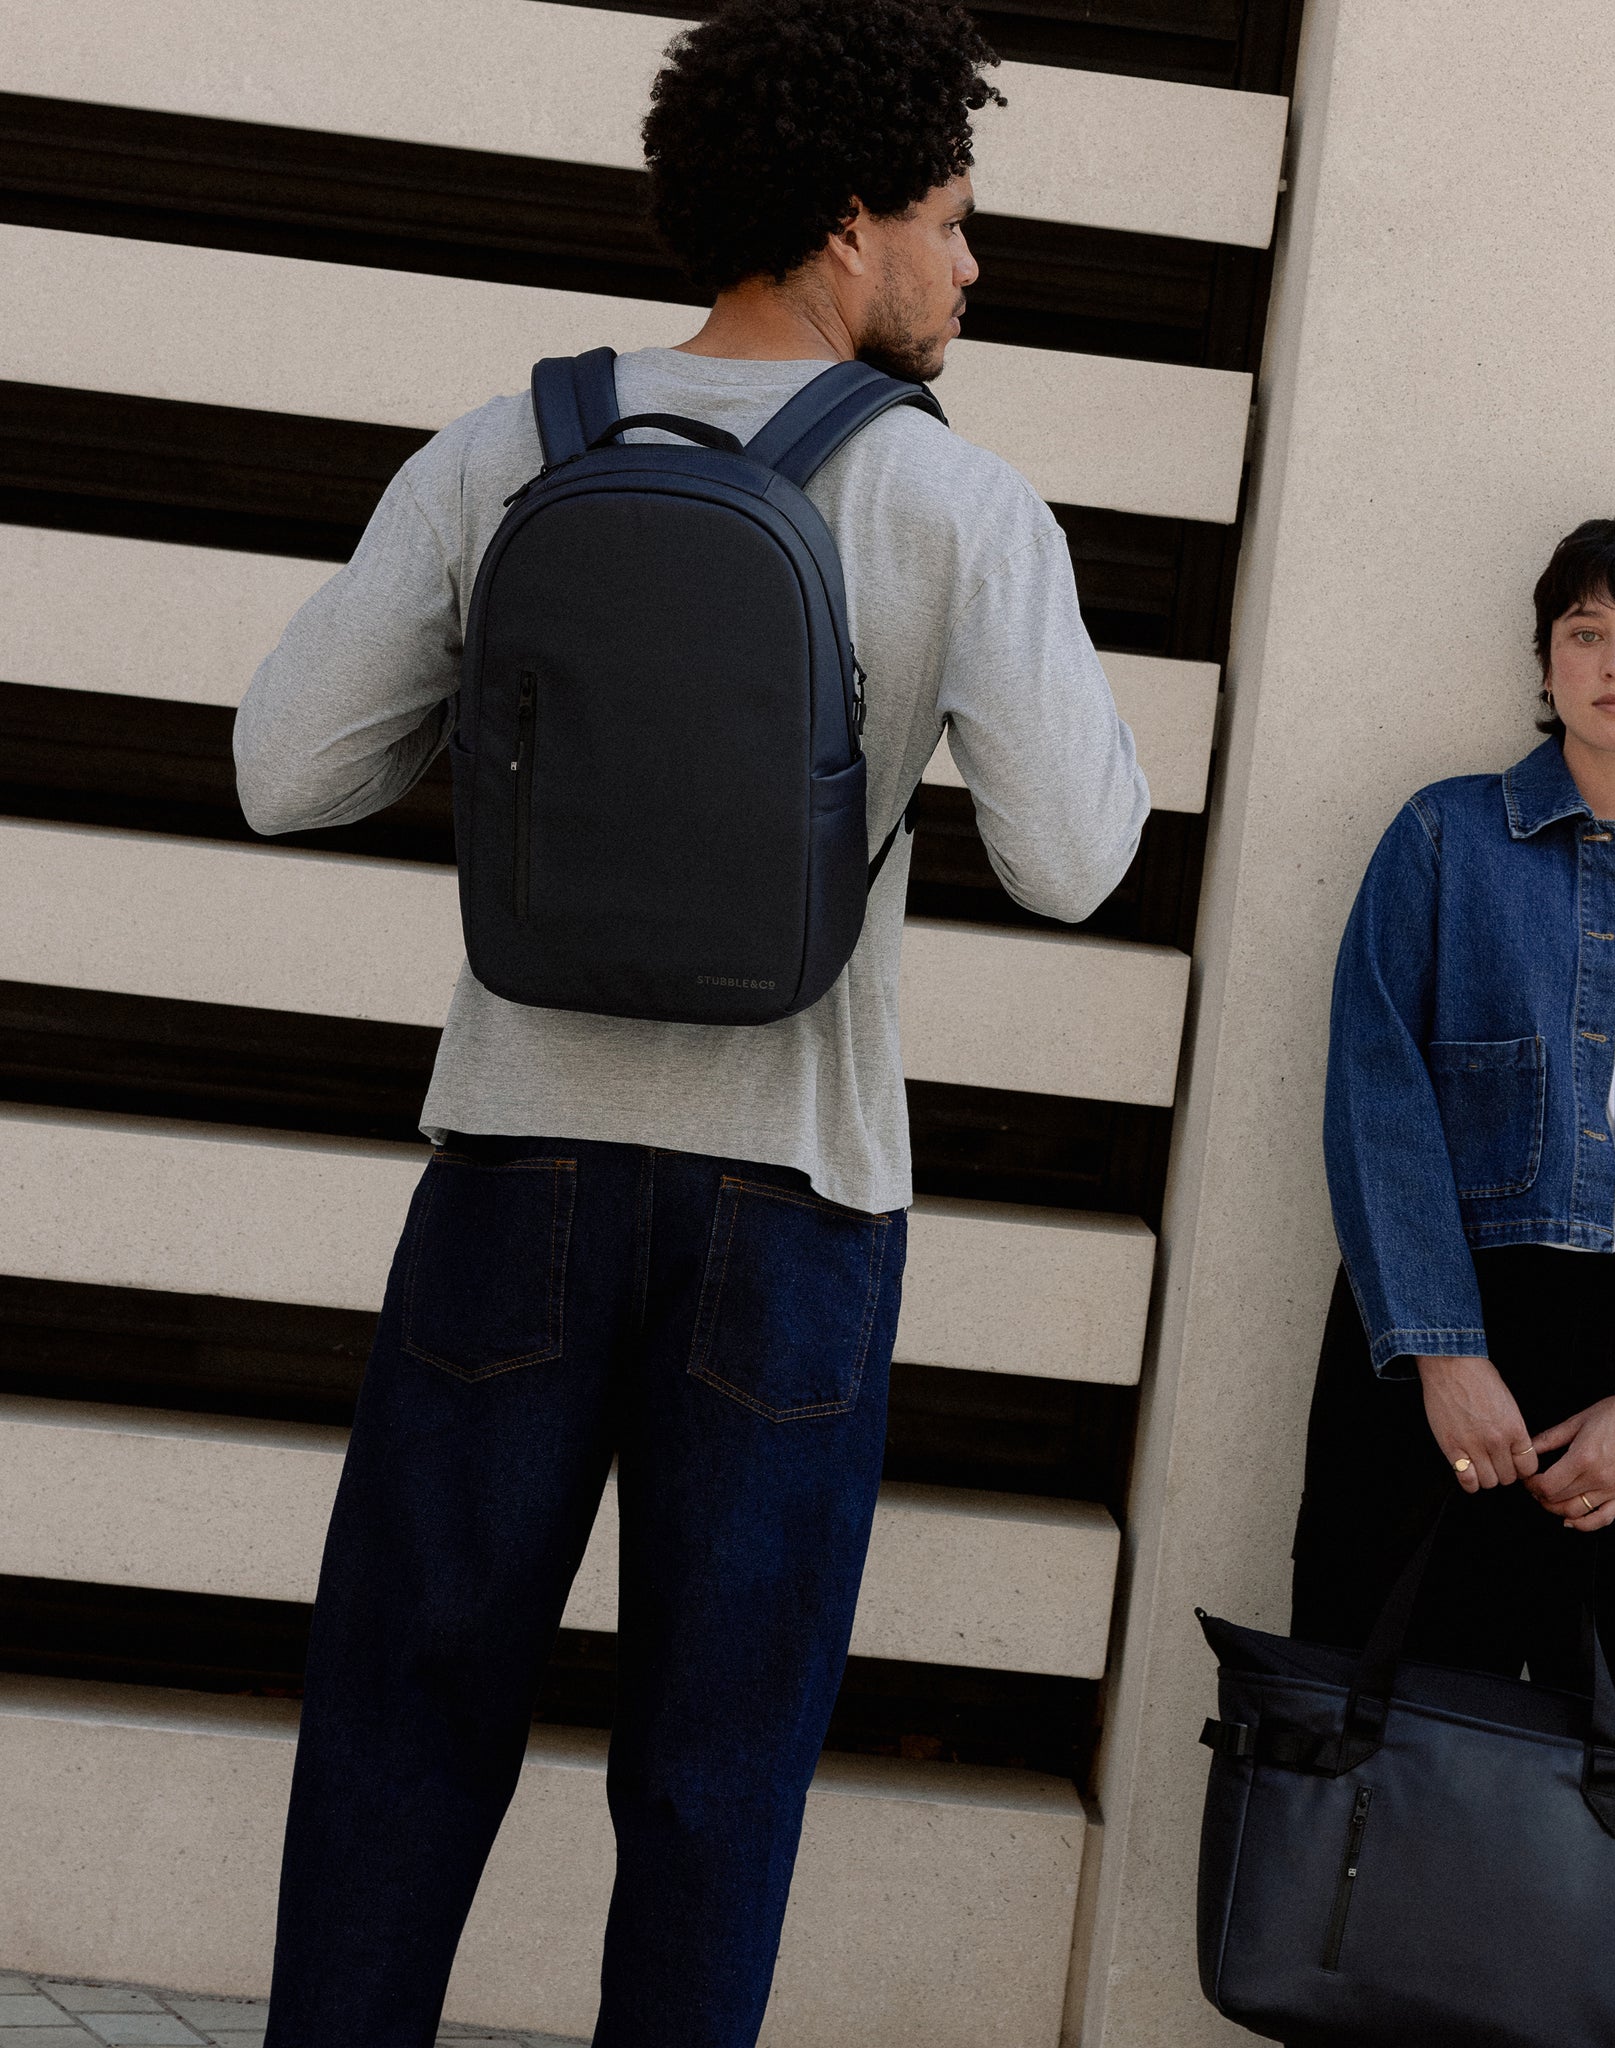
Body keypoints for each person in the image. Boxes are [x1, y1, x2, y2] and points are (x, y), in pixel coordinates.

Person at [232, 3, 1148, 2042]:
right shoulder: (959, 506)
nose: (973, 268)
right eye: (953, 222)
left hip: (514, 1179)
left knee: (403, 1726)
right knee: (719, 1773)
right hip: (798, 1211)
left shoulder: (504, 448)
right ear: (849, 228)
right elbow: (1081, 857)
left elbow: (286, 769)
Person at [1295, 517, 1615, 2045]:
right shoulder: (1445, 842)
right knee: (1403, 1776)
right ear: (1545, 662)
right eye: (1587, 631)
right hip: (1440, 1346)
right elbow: (1374, 1099)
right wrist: (1445, 1355)